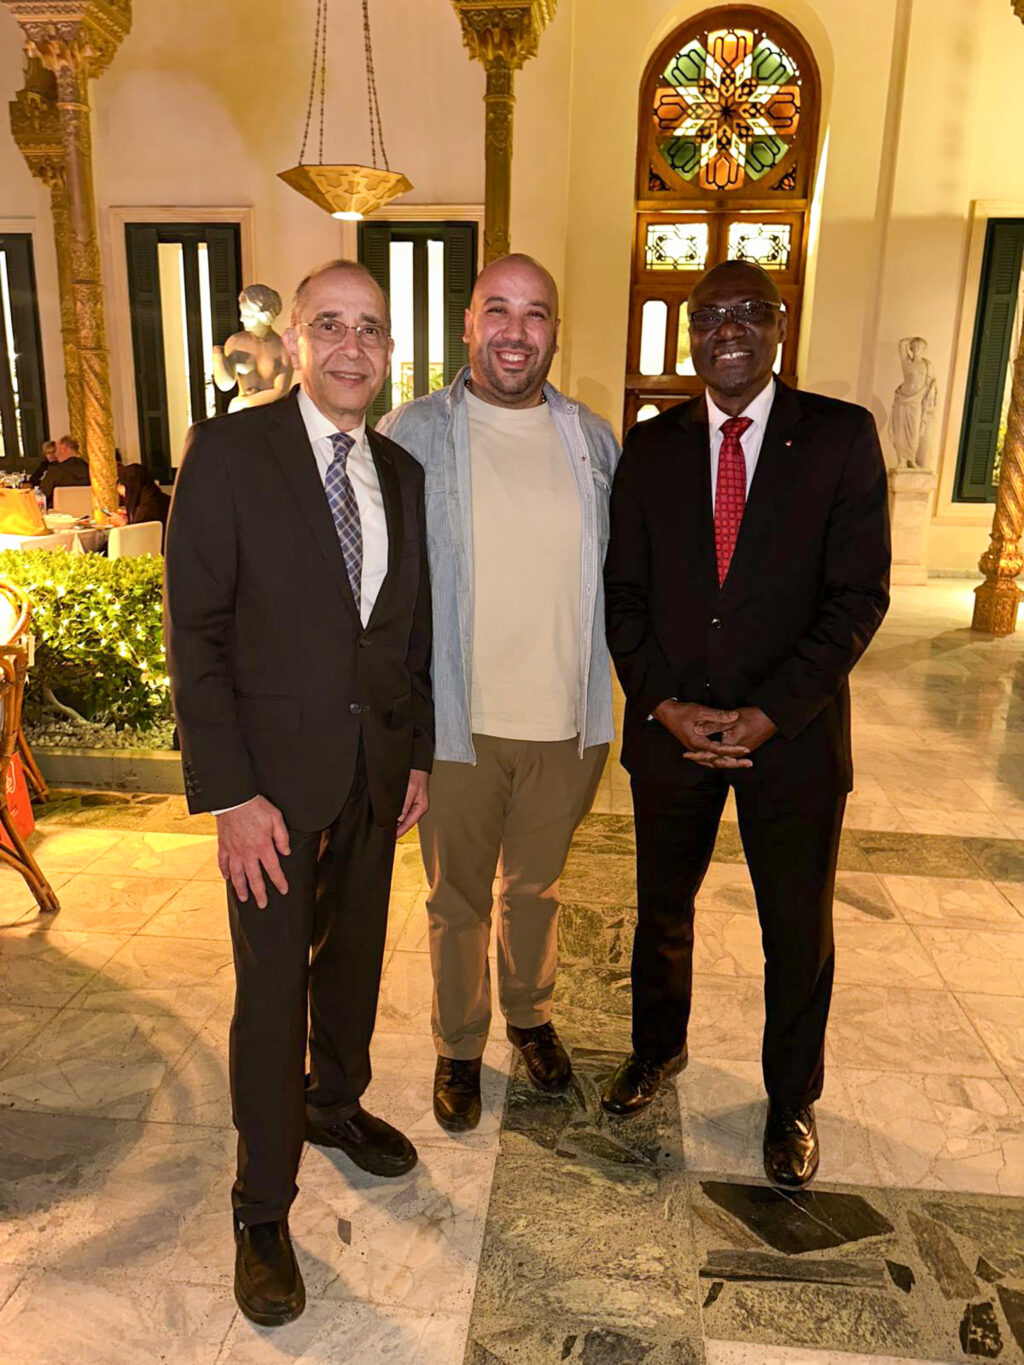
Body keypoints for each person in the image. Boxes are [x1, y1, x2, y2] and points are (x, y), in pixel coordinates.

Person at [164, 259, 433, 1327]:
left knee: (355, 961)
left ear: (388, 347)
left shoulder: (402, 475)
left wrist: (411, 755)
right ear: (297, 343)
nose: (353, 346)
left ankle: (334, 1106)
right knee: (272, 992)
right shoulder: (229, 454)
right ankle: (260, 1205)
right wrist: (229, 794)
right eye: (333, 325)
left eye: (371, 327)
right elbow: (199, 634)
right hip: (269, 791)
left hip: (371, 778)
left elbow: (402, 633)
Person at [602, 260, 891, 1188]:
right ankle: (657, 1051)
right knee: (662, 911)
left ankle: (790, 1101)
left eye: (746, 313)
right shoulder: (647, 449)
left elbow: (857, 597)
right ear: (689, 335)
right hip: (673, 738)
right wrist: (661, 702)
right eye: (708, 315)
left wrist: (771, 713)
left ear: (778, 325)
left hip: (793, 743)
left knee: (795, 930)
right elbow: (623, 595)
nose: (727, 329)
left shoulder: (842, 439)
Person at [378, 254, 619, 1133]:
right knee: (456, 898)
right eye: (500, 312)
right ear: (470, 324)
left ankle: (529, 1015)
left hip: (569, 719)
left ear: (555, 330)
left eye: (537, 314)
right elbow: (385, 587)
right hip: (456, 725)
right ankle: (457, 1043)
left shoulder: (592, 440)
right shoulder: (414, 432)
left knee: (537, 889)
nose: (518, 332)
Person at [109, 464, 171, 543]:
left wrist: (123, 525)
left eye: (126, 495)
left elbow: (139, 541)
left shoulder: (146, 510)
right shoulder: (161, 498)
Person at [38, 434, 90, 508]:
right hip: (87, 512)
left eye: (56, 450)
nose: (55, 454)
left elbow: (42, 495)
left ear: (64, 449)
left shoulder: (56, 471)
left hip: (59, 516)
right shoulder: (89, 469)